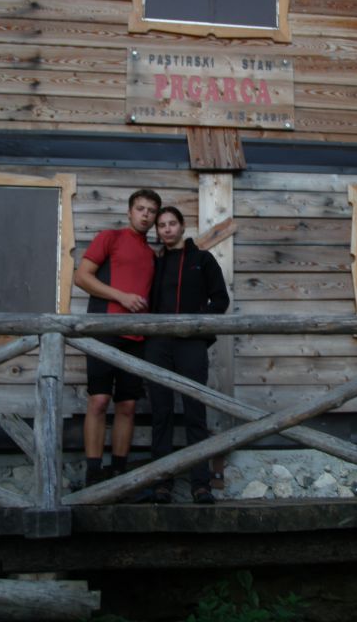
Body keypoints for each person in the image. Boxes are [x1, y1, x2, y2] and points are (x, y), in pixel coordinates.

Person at [73, 188, 161, 487]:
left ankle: (119, 473)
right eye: (140, 208)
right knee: (98, 401)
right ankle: (94, 474)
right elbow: (81, 277)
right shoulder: (109, 237)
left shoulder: (152, 255)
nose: (145, 214)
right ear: (129, 211)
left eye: (151, 210)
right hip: (103, 332)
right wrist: (122, 297)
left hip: (137, 338)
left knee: (127, 406)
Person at [145, 206, 230, 504]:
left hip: (191, 344)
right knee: (161, 412)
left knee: (195, 411)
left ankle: (200, 484)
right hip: (158, 344)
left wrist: (197, 324)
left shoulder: (202, 260)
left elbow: (221, 299)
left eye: (172, 224)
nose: (167, 229)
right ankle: (161, 482)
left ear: (182, 227)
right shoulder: (154, 262)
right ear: (157, 231)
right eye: (161, 226)